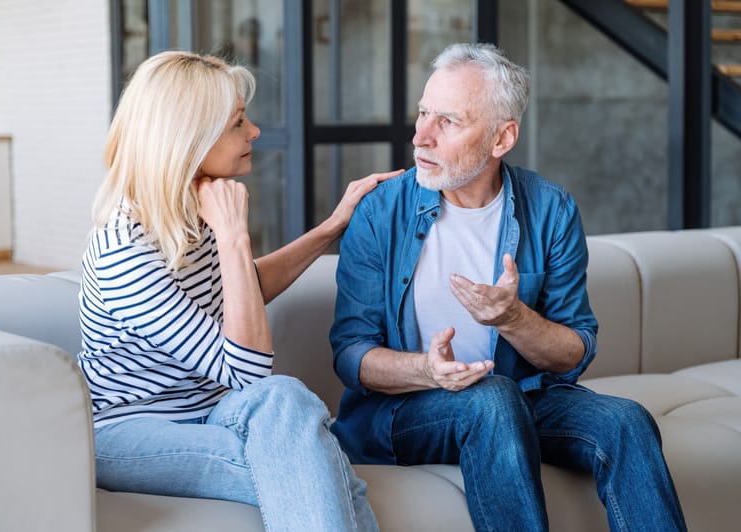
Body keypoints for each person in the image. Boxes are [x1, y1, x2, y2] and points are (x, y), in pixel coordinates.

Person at [329, 42, 687, 531]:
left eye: (447, 121)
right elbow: (352, 355)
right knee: (492, 399)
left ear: (502, 138)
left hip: (526, 398)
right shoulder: (380, 211)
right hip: (404, 412)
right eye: (423, 113)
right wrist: (429, 372)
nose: (421, 137)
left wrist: (513, 318)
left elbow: (574, 351)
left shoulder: (550, 209)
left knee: (627, 421)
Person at [78, 50, 399, 531]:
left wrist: (332, 227)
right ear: (188, 139)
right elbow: (246, 370)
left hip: (211, 412)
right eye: (237, 123)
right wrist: (232, 235)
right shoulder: (125, 249)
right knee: (312, 459)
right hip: (130, 433)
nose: (254, 133)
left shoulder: (189, 209)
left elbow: (241, 291)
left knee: (286, 400)